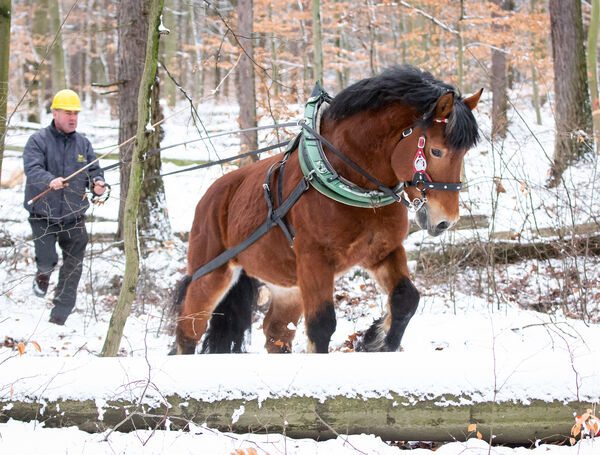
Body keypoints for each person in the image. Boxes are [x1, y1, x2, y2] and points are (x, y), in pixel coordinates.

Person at [23, 89, 106, 325]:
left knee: (74, 267)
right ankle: (43, 275)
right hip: (43, 215)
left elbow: (94, 172)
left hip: (74, 216)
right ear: (55, 113)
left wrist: (98, 184)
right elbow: (32, 169)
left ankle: (60, 315)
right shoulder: (37, 140)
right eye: (68, 113)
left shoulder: (83, 144)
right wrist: (49, 179)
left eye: (76, 114)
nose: (73, 118)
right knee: (47, 259)